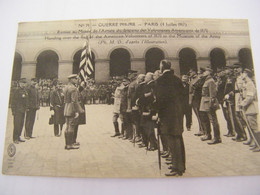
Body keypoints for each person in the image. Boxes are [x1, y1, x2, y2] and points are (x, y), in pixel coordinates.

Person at [155, 59, 185, 176]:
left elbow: (160, 100)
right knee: (178, 139)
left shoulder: (160, 81)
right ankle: (180, 166)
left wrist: (158, 114)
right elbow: (183, 98)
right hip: (178, 114)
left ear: (162, 67)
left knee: (172, 141)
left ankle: (176, 167)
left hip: (167, 115)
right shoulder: (177, 80)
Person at [199, 67, 221, 144]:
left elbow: (213, 95)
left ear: (209, 72)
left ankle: (217, 137)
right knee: (205, 119)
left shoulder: (211, 81)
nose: (203, 73)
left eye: (205, 71)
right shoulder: (206, 80)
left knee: (213, 120)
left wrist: (212, 104)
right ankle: (208, 134)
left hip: (209, 102)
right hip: (204, 102)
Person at [239, 69, 259, 152]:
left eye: (243, 73)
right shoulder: (246, 83)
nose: (242, 74)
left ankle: (259, 144)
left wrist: (242, 103)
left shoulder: (250, 84)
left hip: (251, 107)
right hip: (247, 107)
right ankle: (255, 143)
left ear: (246, 74)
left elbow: (250, 97)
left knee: (254, 127)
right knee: (250, 126)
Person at [63, 74, 84, 150]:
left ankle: (67, 144)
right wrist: (78, 111)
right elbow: (74, 101)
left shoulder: (66, 87)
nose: (76, 80)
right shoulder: (73, 88)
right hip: (72, 109)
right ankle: (70, 144)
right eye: (75, 79)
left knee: (67, 126)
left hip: (66, 108)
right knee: (71, 126)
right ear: (71, 80)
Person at [11, 78, 28, 144]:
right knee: (17, 125)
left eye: (25, 83)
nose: (24, 84)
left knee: (21, 124)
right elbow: (13, 101)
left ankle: (18, 136)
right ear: (20, 83)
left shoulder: (24, 91)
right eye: (23, 83)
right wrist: (13, 111)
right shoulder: (16, 91)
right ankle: (15, 138)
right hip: (17, 110)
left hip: (23, 110)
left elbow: (26, 100)